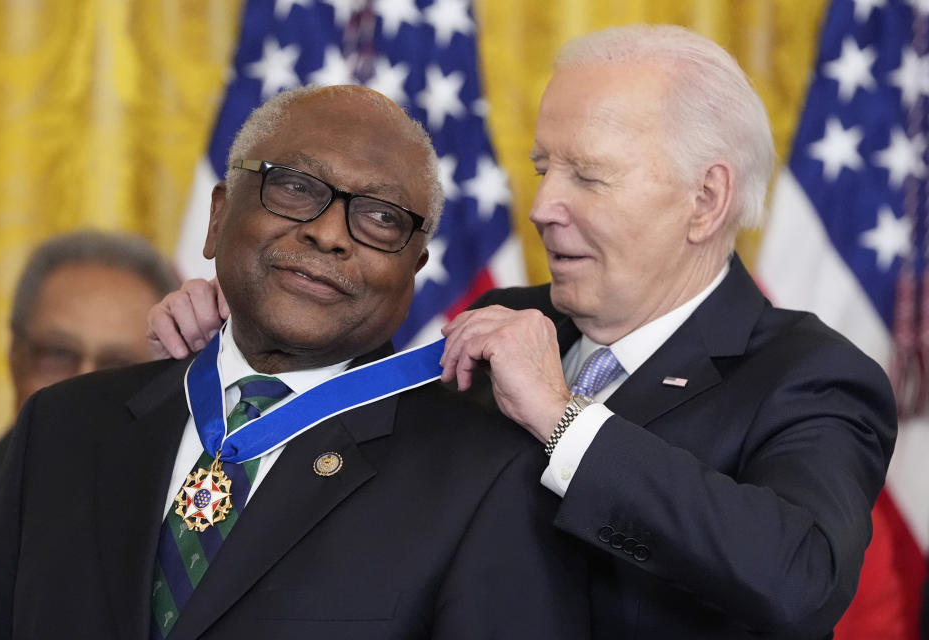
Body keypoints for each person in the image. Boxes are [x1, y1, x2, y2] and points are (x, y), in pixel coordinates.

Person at [148, 26, 897, 637]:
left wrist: (563, 421)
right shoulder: (508, 316)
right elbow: (347, 440)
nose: (542, 207)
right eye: (544, 169)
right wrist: (241, 339)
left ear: (705, 200)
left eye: (588, 176)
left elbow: (801, 578)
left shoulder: (809, 374)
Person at [0, 85, 588, 640]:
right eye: (295, 186)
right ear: (216, 218)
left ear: (413, 274)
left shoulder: (486, 478)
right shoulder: (63, 425)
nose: (329, 234)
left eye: (380, 217)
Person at [0, 229, 180, 579]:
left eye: (118, 366)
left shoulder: (184, 534)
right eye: (59, 354)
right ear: (15, 357)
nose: (82, 384)